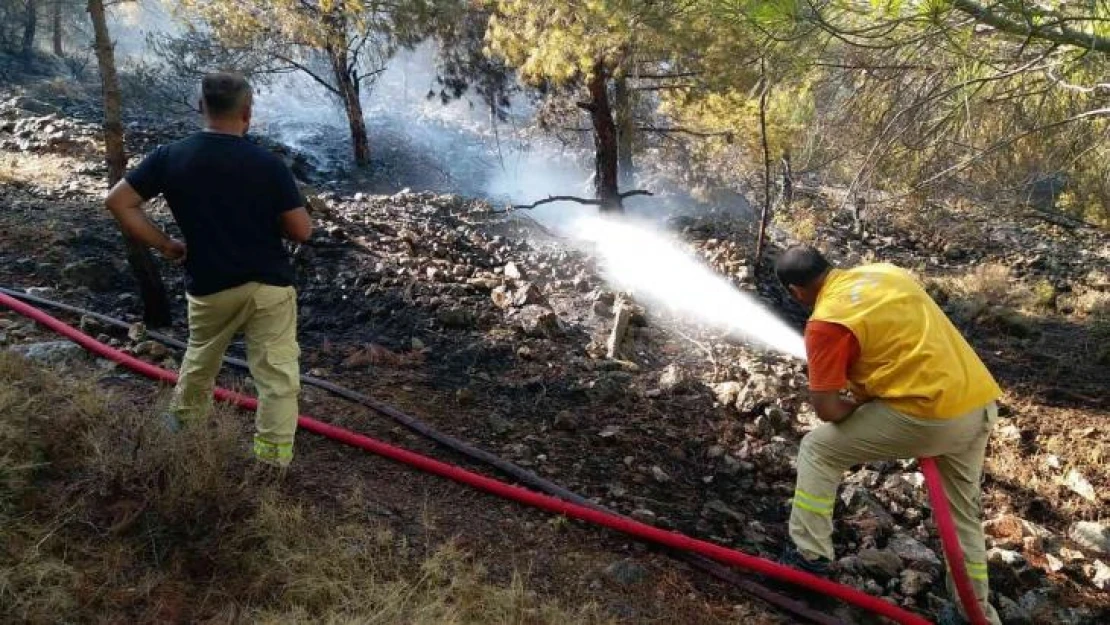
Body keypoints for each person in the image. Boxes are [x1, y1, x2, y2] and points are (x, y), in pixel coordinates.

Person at [774, 246, 1002, 625]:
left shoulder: (826, 322)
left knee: (817, 449)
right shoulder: (885, 272)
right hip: (976, 403)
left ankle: (807, 558)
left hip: (928, 415)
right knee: (963, 516)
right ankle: (976, 613)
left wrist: (862, 408)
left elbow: (827, 410)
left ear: (796, 291)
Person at [104, 72, 313, 469]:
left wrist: (167, 245)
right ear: (248, 113)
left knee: (200, 361)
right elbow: (301, 231)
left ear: (201, 107)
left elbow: (118, 202)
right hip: (268, 284)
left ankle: (182, 435)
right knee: (277, 376)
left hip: (208, 284)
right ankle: (271, 463)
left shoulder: (170, 156)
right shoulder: (268, 164)